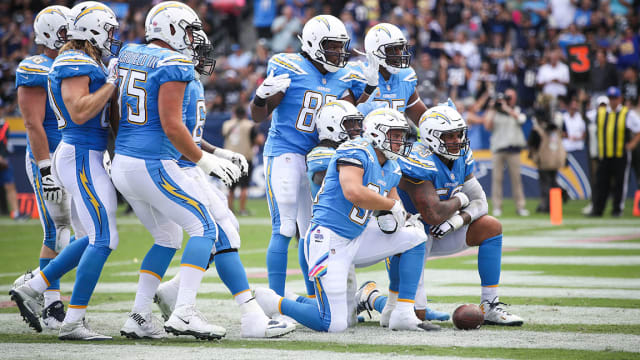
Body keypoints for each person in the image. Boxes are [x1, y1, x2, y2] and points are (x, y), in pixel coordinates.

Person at [133, 28, 294, 339]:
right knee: (221, 234)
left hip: (175, 165)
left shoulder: (181, 78)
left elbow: (189, 133)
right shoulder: (178, 76)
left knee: (221, 230)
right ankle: (248, 314)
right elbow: (175, 131)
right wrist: (205, 160)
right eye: (195, 47)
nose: (203, 55)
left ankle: (171, 293)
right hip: (178, 167)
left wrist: (218, 152)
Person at [110, 2, 244, 340]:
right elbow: (172, 125)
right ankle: (184, 313)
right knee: (204, 227)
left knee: (167, 237)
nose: (194, 37)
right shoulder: (175, 63)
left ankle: (139, 316)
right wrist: (203, 159)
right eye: (189, 30)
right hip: (153, 162)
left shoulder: (130, 53)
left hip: (124, 161)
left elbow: (115, 111)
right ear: (169, 29)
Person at [254, 108, 430, 332]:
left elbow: (395, 206)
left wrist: (397, 217)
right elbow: (353, 191)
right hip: (328, 240)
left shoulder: (392, 165)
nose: (400, 141)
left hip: (357, 236)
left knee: (414, 234)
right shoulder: (356, 150)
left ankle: (400, 312)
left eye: (401, 136)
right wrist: (390, 206)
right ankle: (274, 301)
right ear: (377, 134)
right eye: (395, 135)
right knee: (334, 323)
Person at [11, 1, 122, 340]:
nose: (112, 37)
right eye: (108, 31)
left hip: (86, 155)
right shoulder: (73, 61)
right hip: (79, 155)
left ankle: (35, 286)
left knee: (93, 236)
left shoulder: (87, 61)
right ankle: (71, 319)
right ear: (92, 31)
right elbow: (79, 111)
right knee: (101, 238)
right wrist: (111, 84)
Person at [357, 105, 524, 327]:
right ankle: (370, 296)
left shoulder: (461, 156)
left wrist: (455, 222)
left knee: (491, 227)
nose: (457, 140)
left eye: (458, 134)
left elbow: (481, 202)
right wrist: (462, 201)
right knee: (417, 316)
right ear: (430, 137)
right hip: (408, 240)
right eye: (448, 136)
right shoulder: (417, 158)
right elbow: (433, 214)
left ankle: (490, 305)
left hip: (440, 231)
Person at [250, 15, 359, 299]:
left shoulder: (344, 76)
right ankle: (275, 301)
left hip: (319, 159)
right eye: (332, 46)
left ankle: (314, 299)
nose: (338, 52)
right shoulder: (287, 65)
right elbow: (257, 116)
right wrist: (260, 98)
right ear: (312, 44)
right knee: (285, 227)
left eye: (340, 46)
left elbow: (353, 116)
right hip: (286, 152)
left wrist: (368, 88)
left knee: (312, 231)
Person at [13, 5, 79, 331]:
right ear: (54, 32)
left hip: (72, 155)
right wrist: (45, 168)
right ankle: (51, 305)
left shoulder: (73, 64)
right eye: (68, 31)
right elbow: (33, 125)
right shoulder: (36, 67)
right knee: (57, 230)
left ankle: (33, 281)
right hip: (48, 157)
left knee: (82, 234)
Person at [351, 23, 428, 124]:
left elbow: (423, 120)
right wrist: (369, 88)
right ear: (375, 52)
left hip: (398, 138)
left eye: (400, 48)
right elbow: (350, 123)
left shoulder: (406, 76)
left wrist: (441, 118)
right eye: (392, 50)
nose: (399, 54)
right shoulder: (357, 75)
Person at [586, 86, 640, 217]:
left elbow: (638, 129)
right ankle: (598, 209)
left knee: (620, 183)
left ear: (620, 99)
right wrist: (584, 103)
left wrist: (632, 144)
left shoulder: (627, 113)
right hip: (604, 154)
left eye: (615, 98)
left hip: (621, 154)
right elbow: (585, 117)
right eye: (610, 98)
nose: (612, 101)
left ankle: (617, 209)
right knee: (601, 183)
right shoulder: (601, 112)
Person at [484, 88, 530, 217]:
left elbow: (521, 120)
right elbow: (487, 126)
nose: (508, 99)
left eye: (510, 97)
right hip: (498, 149)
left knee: (516, 179)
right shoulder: (495, 111)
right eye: (506, 97)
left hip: (514, 149)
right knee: (497, 179)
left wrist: (506, 108)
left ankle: (520, 206)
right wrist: (493, 108)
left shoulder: (517, 110)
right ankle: (497, 207)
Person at [528, 94, 567, 213]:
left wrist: (532, 152)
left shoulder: (539, 126)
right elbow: (564, 134)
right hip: (555, 156)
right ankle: (555, 206)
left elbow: (533, 141)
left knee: (545, 183)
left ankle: (546, 206)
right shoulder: (557, 122)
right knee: (553, 181)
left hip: (544, 157)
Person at [222, 105, 260, 215]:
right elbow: (257, 140)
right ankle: (242, 210)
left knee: (231, 187)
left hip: (230, 158)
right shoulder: (249, 125)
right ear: (245, 114)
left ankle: (230, 210)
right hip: (245, 158)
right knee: (244, 186)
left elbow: (224, 136)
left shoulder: (227, 124)